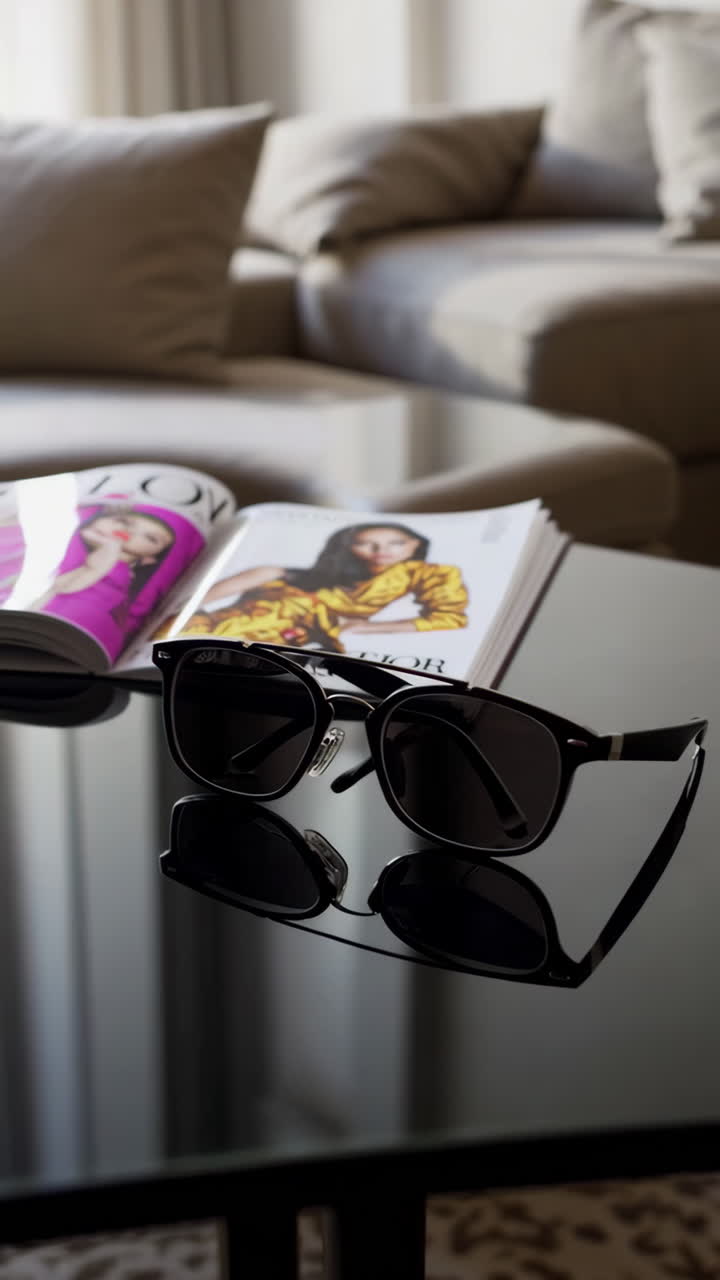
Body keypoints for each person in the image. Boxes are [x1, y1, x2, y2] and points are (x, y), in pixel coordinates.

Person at [159, 522, 469, 652]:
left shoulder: (427, 574)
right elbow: (184, 606)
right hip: (211, 630)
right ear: (347, 548)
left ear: (415, 545)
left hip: (275, 649)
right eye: (366, 543)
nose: (380, 550)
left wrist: (358, 627)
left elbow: (449, 617)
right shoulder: (277, 573)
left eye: (396, 543)